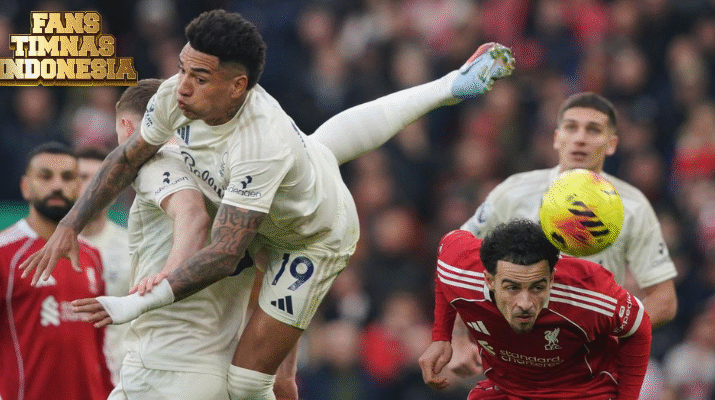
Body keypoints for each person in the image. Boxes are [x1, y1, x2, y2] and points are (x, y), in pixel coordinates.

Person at [20, 9, 514, 399]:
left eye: (200, 77)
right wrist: (70, 224)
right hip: (280, 194)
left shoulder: (261, 146)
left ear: (237, 86)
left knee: (247, 383)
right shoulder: (177, 95)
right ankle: (451, 85)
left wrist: (137, 301)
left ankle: (449, 86)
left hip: (311, 239)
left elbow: (224, 253)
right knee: (321, 148)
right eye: (182, 68)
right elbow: (127, 156)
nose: (182, 86)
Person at [83, 78, 297, 400]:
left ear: (127, 128)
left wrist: (166, 281)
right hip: (222, 375)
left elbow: (192, 216)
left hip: (162, 369)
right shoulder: (239, 183)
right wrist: (283, 373)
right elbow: (283, 271)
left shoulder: (155, 163)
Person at [461, 92, 677, 328]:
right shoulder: (513, 191)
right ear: (556, 138)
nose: (580, 138)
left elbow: (664, 300)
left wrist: (615, 336)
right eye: (571, 128)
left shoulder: (633, 204)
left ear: (611, 144)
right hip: (515, 341)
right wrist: (463, 333)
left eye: (593, 130)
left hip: (591, 346)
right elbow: (459, 257)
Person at [419, 219, 652, 399]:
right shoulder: (460, 269)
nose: (525, 303)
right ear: (489, 280)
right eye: (512, 288)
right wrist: (442, 337)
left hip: (582, 392)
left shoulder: (588, 292)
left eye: (537, 287)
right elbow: (446, 253)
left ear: (551, 279)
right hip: (507, 390)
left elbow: (638, 327)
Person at [0, 142, 114, 400]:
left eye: (67, 177)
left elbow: (100, 343)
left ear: (79, 187)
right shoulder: (5, 254)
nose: (57, 186)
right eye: (45, 176)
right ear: (25, 187)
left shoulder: (92, 256)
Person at [76, 146, 132, 383]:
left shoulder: (133, 248)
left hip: (119, 381)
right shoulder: (42, 249)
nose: (92, 186)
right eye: (82, 177)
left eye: (101, 178)